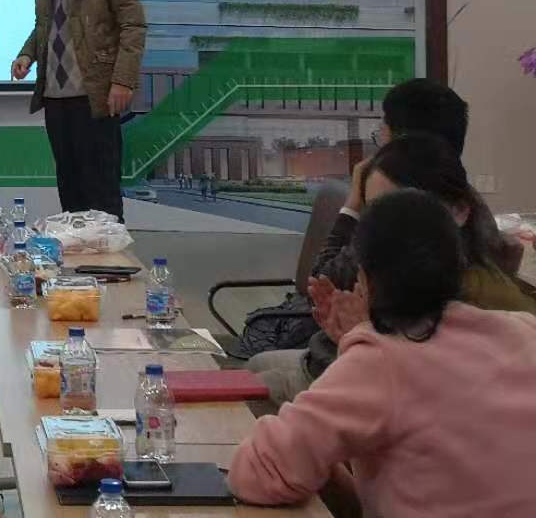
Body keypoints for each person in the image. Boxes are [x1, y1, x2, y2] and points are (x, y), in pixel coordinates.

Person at [229, 188, 536, 517]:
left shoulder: (381, 360)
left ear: (365, 280)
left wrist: (363, 340)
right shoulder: (524, 329)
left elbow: (258, 473)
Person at [246, 79, 527, 401]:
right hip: (353, 359)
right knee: (255, 369)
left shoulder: (399, 223)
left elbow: (413, 375)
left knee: (248, 386)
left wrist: (365, 335)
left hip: (360, 375)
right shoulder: (466, 213)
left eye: (383, 129)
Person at [11, 0, 146, 219]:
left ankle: (109, 251)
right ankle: (76, 248)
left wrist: (123, 80)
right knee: (69, 184)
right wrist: (27, 54)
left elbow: (133, 25)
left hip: (95, 92)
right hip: (54, 95)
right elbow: (45, 24)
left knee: (100, 185)